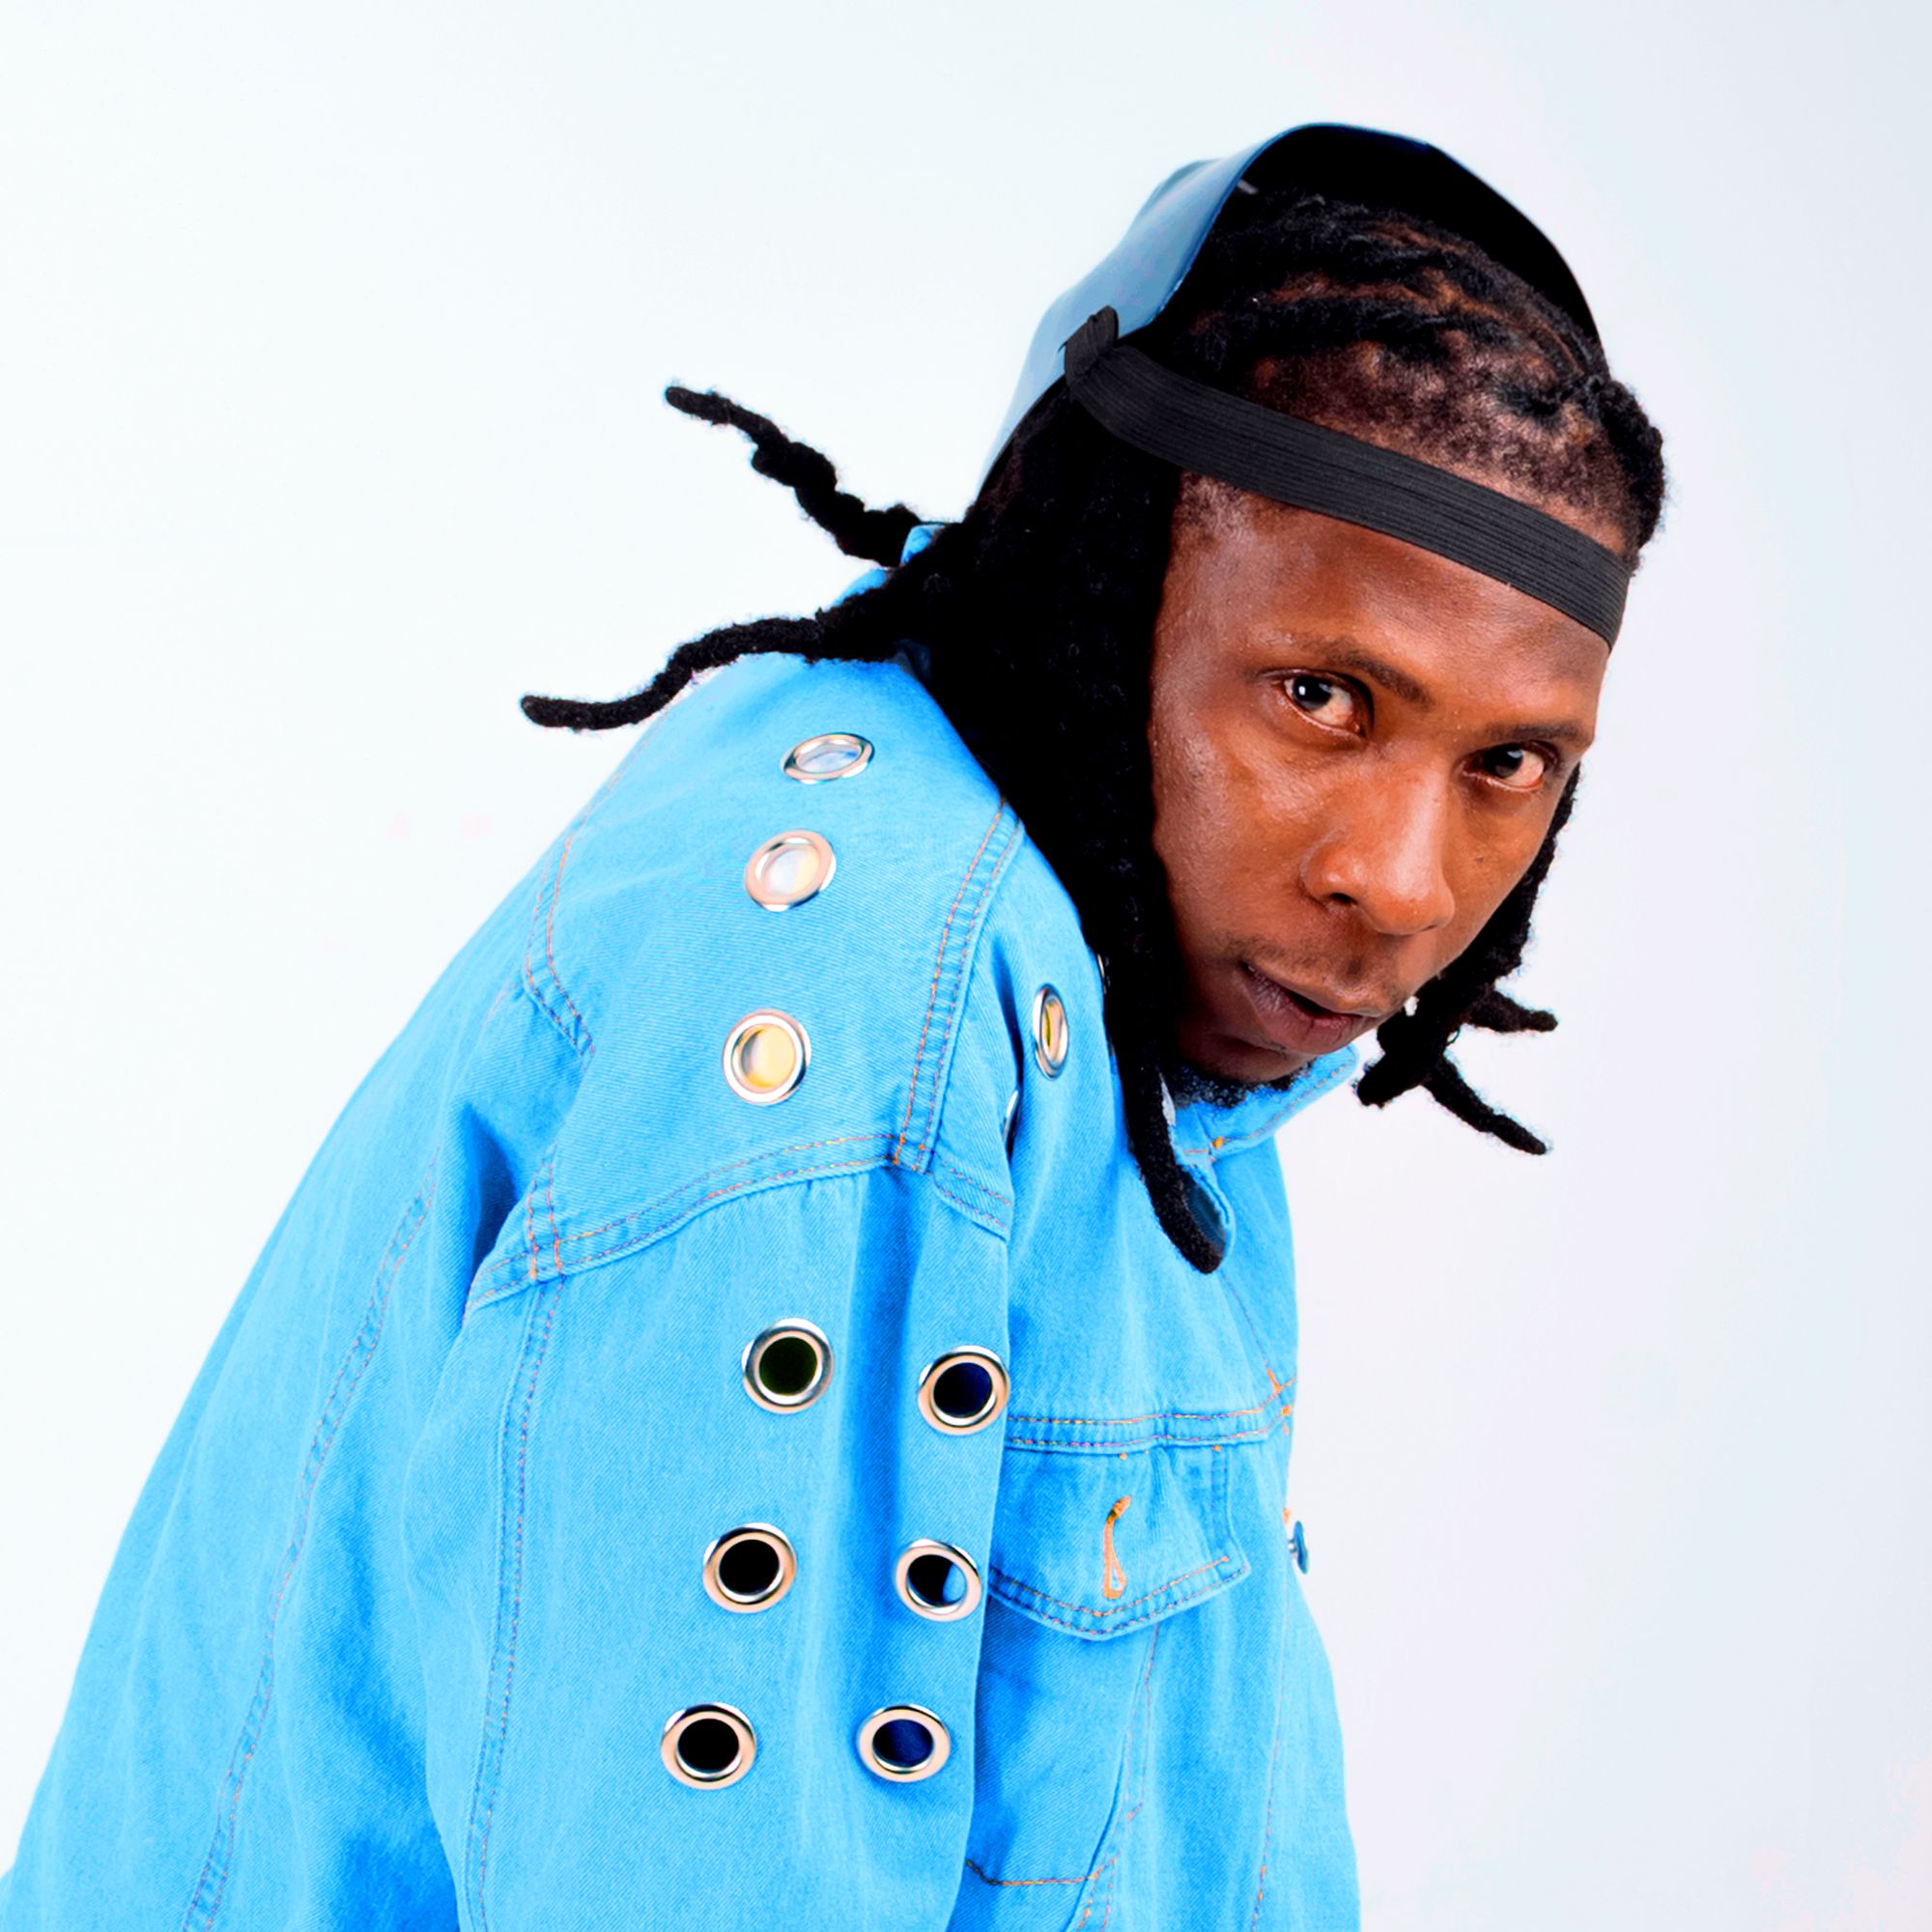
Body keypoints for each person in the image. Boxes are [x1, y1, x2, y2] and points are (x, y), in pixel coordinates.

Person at [0, 122, 1666, 1930]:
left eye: (1511, 763)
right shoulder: (864, 996)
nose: (1403, 884)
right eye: (1322, 698)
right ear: (1107, 583)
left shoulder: (1119, 977)